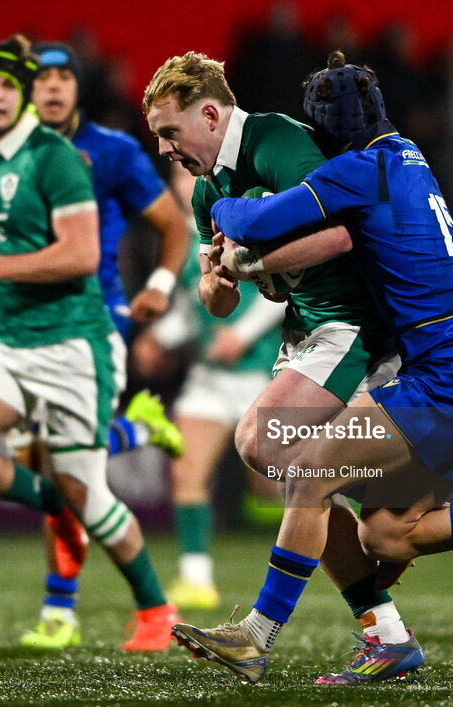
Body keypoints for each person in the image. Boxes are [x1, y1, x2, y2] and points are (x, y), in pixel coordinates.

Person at [170, 51, 453, 685]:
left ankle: (257, 637)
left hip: (446, 379)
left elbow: (255, 218)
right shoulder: (405, 156)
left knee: (307, 470)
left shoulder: (359, 168)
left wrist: (225, 221)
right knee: (388, 536)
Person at [142, 51, 422, 684]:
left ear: (210, 114)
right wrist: (219, 279)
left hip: (352, 327)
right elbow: (220, 300)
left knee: (262, 442)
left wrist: (248, 263)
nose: (164, 148)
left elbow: (342, 236)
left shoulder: (277, 141)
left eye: (169, 131)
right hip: (307, 335)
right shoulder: (210, 185)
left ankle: (259, 635)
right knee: (305, 481)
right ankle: (390, 631)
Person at [0, 34, 177, 652]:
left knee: (90, 497)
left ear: (26, 94)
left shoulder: (58, 157)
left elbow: (83, 255)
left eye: (7, 85)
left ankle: (155, 607)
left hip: (75, 345)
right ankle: (57, 498)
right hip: (8, 343)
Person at [17, 40, 188, 650]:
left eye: (65, 77)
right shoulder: (8, 155)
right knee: (41, 463)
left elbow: (172, 224)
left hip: (94, 323)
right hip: (26, 327)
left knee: (68, 470)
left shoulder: (111, 152)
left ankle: (66, 609)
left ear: (77, 87)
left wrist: (163, 286)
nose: (54, 87)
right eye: (42, 78)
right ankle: (137, 431)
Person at [137, 167, 285, 610]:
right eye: (177, 178)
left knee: (279, 488)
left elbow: (283, 290)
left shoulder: (242, 223)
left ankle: (362, 543)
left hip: (262, 374)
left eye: (190, 175)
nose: (185, 185)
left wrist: (241, 335)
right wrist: (158, 339)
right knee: (186, 469)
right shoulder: (181, 241)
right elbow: (189, 308)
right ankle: (196, 577)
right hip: (209, 376)